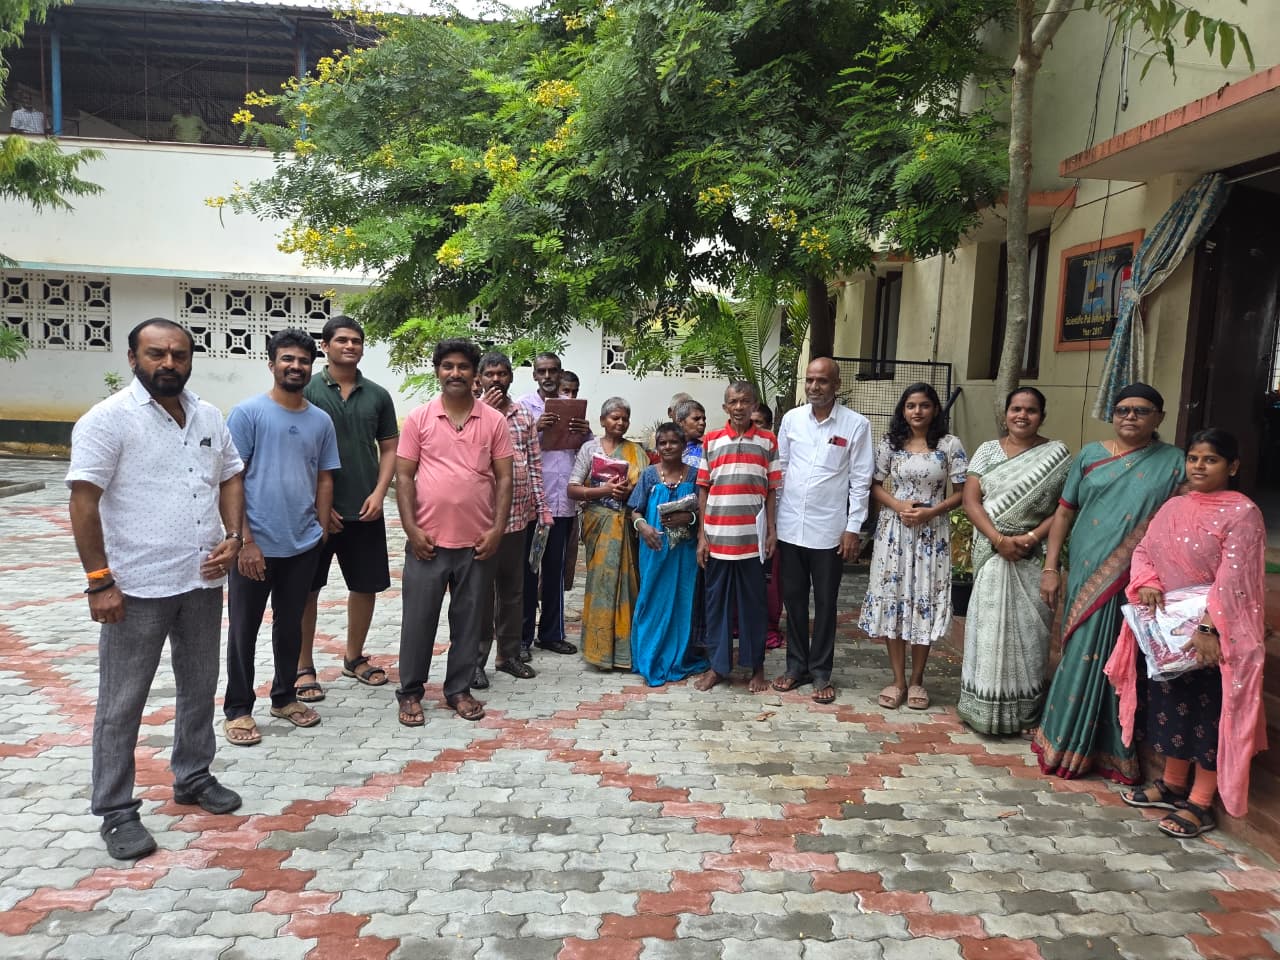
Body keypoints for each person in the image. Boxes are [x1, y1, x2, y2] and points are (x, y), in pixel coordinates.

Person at [67, 318, 245, 861]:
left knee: (200, 686)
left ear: (190, 359)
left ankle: (193, 775)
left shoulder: (209, 415)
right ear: (132, 358)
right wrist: (99, 581)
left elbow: (231, 474)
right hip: (136, 587)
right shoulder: (107, 420)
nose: (169, 363)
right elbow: (83, 500)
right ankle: (116, 810)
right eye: (156, 353)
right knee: (122, 703)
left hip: (201, 579)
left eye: (179, 354)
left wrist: (234, 536)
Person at [1107, 429, 1266, 837]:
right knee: (1172, 708)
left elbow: (1234, 578)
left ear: (1232, 466)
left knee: (1208, 718)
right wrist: (1146, 581)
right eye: (1193, 458)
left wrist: (1210, 628)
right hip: (1170, 635)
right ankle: (1173, 784)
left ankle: (1200, 802)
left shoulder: (1242, 513)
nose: (1199, 466)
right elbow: (1144, 550)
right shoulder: (1174, 506)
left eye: (1210, 460)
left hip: (1217, 635)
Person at [1034, 382, 1185, 782]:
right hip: (1086, 570)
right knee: (1080, 650)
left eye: (1141, 410)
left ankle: (1108, 748)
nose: (1130, 416)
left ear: (1159, 417)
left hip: (1136, 578)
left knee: (1119, 658)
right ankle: (1062, 738)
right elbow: (1064, 513)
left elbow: (1183, 519)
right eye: (1122, 410)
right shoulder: (1090, 455)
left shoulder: (1174, 462)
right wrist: (1050, 567)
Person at [223, 329, 340, 745]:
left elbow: (324, 478)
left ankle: (285, 697)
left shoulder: (320, 420)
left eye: (303, 361)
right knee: (244, 630)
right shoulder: (247, 414)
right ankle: (238, 709)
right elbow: (232, 479)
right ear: (271, 363)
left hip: (303, 544)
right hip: (255, 547)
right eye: (287, 359)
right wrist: (245, 541)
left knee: (290, 626)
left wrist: (320, 530)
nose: (296, 366)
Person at [395, 338, 513, 726]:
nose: (455, 373)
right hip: (427, 542)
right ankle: (410, 692)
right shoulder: (419, 419)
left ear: (475, 374)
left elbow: (505, 478)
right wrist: (411, 528)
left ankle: (458, 690)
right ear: (437, 371)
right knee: (418, 622)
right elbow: (404, 476)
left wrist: (497, 529)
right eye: (448, 366)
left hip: (477, 544)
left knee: (470, 621)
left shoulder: (493, 421)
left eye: (463, 366)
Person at [957, 387, 1070, 735]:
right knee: (988, 629)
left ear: (1042, 416)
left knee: (1030, 633)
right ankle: (981, 706)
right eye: (1016, 409)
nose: (1022, 415)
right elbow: (970, 501)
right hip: (992, 553)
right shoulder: (987, 451)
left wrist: (1031, 537)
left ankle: (1024, 711)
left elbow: (1065, 509)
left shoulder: (1058, 455)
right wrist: (999, 540)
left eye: (1030, 410)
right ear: (1005, 414)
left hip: (1032, 555)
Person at [298, 317, 398, 700]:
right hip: (314, 515)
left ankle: (354, 657)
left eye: (356, 340)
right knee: (307, 590)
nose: (350, 346)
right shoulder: (306, 390)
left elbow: (389, 448)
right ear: (325, 346)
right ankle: (303, 666)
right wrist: (318, 504)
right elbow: (295, 452)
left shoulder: (377, 395)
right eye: (342, 340)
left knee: (365, 586)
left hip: (365, 509)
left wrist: (379, 492)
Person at [771, 359, 874, 703]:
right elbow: (781, 470)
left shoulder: (856, 425)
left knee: (826, 603)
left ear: (836, 385)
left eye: (822, 381)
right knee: (794, 601)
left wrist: (852, 528)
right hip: (790, 527)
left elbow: (860, 480)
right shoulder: (792, 420)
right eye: (810, 380)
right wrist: (773, 522)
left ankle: (820, 672)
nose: (814, 386)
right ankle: (795, 667)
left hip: (829, 530)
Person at [859, 382, 967, 711]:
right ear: (903, 411)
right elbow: (874, 485)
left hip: (932, 534)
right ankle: (898, 681)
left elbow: (963, 493)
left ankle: (918, 679)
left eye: (924, 405)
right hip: (894, 533)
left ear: (934, 409)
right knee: (894, 599)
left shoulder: (949, 445)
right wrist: (898, 505)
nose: (917, 411)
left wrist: (932, 511)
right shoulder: (890, 443)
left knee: (923, 600)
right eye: (911, 406)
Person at [693, 381, 780, 694]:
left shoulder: (768, 441)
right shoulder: (711, 440)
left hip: (752, 542)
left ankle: (756, 667)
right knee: (716, 605)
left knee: (753, 606)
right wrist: (702, 536)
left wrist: (771, 531)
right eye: (733, 402)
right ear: (725, 407)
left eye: (745, 401)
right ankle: (718, 667)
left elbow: (771, 490)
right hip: (718, 540)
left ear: (754, 405)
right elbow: (703, 489)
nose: (739, 407)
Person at [474, 351, 547, 688]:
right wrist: (487, 413)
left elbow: (534, 464)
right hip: (482, 520)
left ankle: (508, 655)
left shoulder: (523, 415)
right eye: (490, 374)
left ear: (510, 378)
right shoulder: (472, 414)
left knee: (513, 591)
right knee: (480, 595)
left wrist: (542, 507)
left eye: (502, 374)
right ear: (479, 379)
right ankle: (475, 661)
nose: (496, 380)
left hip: (519, 517)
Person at [519, 352, 591, 659]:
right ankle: (521, 638)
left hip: (563, 503)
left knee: (555, 570)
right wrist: (535, 427)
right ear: (535, 375)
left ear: (560, 373)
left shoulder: (571, 406)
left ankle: (550, 635)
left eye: (553, 371)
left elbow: (588, 448)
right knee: (528, 571)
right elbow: (510, 444)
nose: (548, 376)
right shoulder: (523, 407)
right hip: (532, 504)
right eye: (542, 371)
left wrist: (584, 431)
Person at [568, 397, 647, 670]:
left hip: (625, 524)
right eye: (615, 417)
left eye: (625, 418)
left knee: (628, 586)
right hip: (598, 523)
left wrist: (628, 493)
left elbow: (646, 490)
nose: (620, 423)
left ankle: (625, 652)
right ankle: (598, 652)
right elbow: (572, 488)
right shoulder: (589, 448)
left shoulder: (636, 452)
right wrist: (603, 490)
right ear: (602, 420)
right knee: (600, 585)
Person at [751, 403, 788, 653]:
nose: (753, 428)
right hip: (741, 526)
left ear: (770, 426)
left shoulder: (775, 453)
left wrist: (772, 528)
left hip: (772, 524)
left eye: (759, 423)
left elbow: (778, 490)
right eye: (750, 423)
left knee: (769, 580)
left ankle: (768, 627)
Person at [560, 369, 582, 601]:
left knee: (564, 561)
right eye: (566, 391)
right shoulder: (536, 415)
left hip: (570, 503)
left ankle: (553, 617)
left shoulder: (580, 423)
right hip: (540, 503)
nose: (571, 397)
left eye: (575, 392)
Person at [674, 399, 707, 467]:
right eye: (696, 419)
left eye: (704, 419)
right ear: (680, 422)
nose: (702, 423)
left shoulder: (707, 448)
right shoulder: (667, 448)